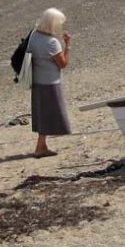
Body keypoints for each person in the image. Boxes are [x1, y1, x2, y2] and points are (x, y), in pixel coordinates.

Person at [27, 8, 72, 157]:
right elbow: (63, 64)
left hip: (37, 81)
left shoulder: (34, 36)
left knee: (42, 114)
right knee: (50, 114)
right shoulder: (52, 43)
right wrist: (68, 45)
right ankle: (40, 148)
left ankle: (41, 145)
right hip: (50, 82)